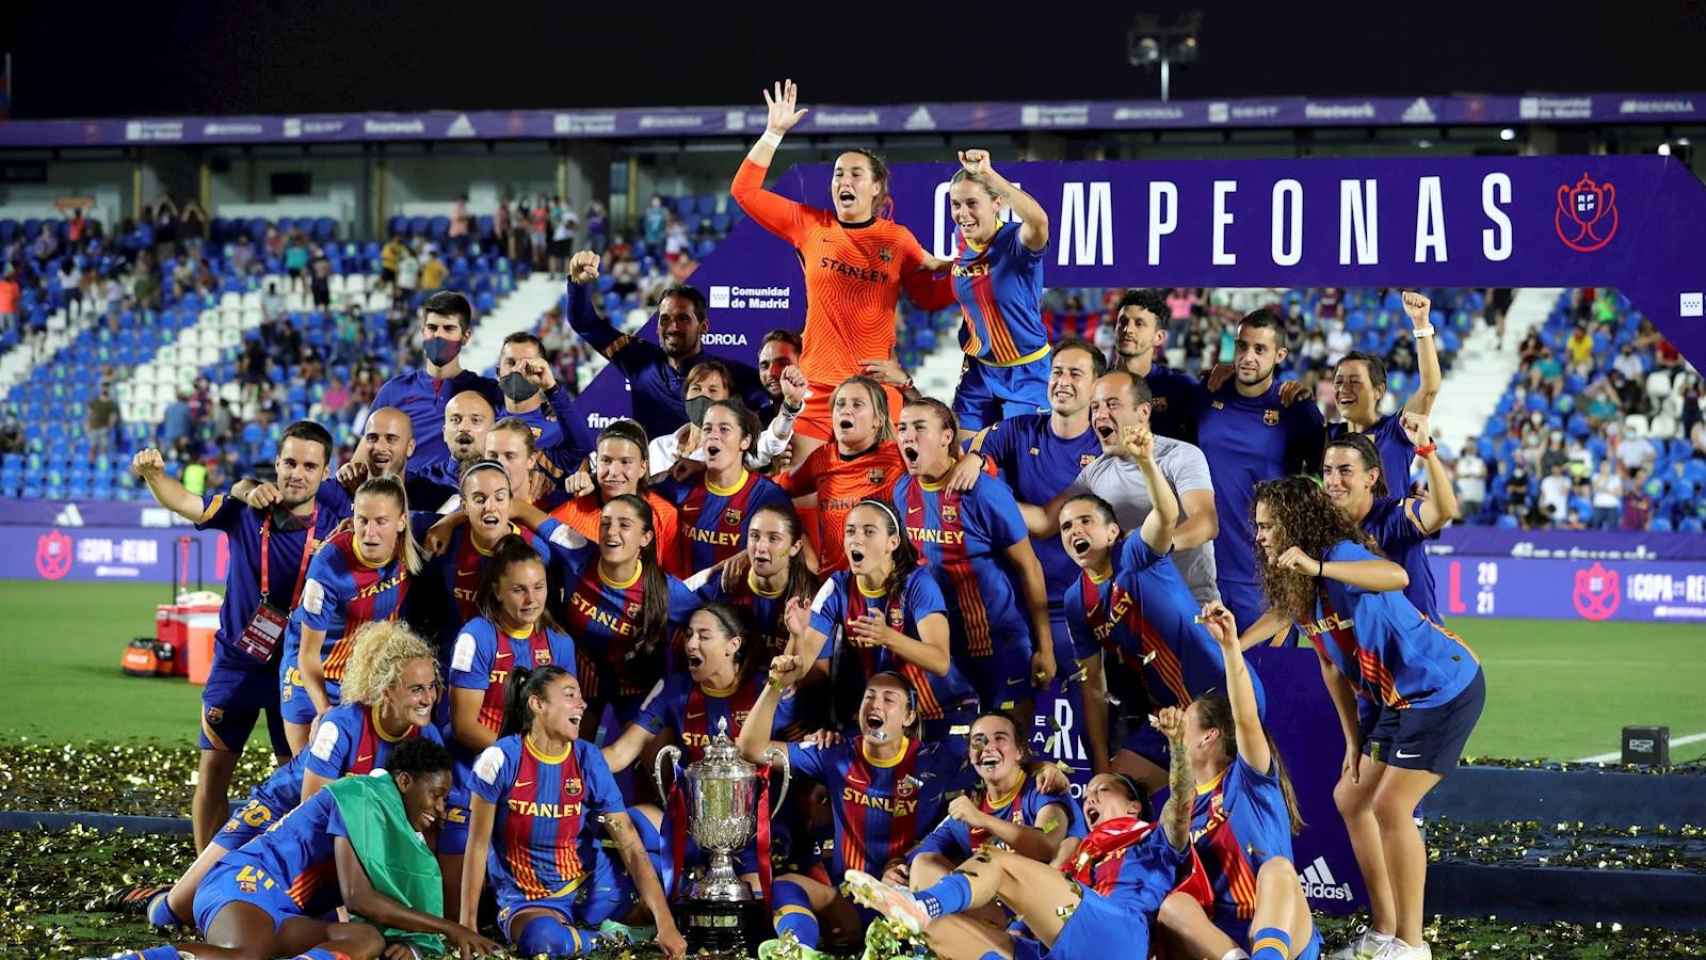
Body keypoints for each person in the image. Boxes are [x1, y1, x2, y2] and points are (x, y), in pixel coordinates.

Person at [1253, 476, 1485, 960]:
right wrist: (1352, 741)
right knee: (1351, 796)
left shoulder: (1339, 555)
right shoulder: (1300, 587)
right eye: (1258, 527)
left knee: (1391, 807)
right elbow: (1331, 667)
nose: (1261, 537)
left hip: (1440, 687)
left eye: (1268, 526)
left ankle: (1412, 946)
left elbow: (1396, 577)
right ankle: (1383, 932)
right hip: (1394, 702)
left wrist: (1321, 565)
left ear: (1295, 524)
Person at [145, 622, 444, 934]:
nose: (428, 699)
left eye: (432, 686)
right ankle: (152, 899)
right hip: (280, 812)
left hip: (338, 836)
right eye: (417, 689)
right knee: (176, 911)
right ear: (387, 690)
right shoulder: (342, 726)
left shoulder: (429, 738)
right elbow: (308, 812)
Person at [130, 422, 342, 853]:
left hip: (298, 670)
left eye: (308, 465)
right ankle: (201, 882)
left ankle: (289, 874)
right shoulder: (244, 510)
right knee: (212, 773)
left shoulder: (340, 521)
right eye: (289, 462)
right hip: (237, 664)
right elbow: (184, 502)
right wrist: (153, 475)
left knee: (300, 778)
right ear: (276, 464)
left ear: (325, 472)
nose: (296, 473)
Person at [842, 713, 1196, 960]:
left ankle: (922, 905)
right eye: (1087, 794)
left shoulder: (1152, 839)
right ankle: (925, 916)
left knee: (995, 863)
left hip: (1119, 937)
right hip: (1058, 943)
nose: (1090, 798)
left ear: (1134, 807)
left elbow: (1181, 802)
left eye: (1103, 790)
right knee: (940, 930)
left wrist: (1178, 747)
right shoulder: (1082, 850)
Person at [730, 79, 952, 462]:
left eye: (854, 175)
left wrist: (963, 270)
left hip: (875, 391)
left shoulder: (897, 240)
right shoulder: (811, 225)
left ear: (876, 187)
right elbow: (744, 192)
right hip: (816, 390)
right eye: (837, 174)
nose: (843, 181)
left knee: (887, 503)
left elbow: (930, 298)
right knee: (801, 498)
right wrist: (773, 132)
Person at [119, 739, 497, 960]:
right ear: (403, 781)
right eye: (436, 796)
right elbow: (359, 897)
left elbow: (387, 901)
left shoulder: (394, 818)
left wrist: (413, 948)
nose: (440, 809)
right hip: (246, 881)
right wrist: (451, 928)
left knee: (366, 941)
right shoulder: (362, 795)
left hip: (284, 907)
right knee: (246, 954)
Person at [1060, 449, 1267, 790]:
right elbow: (1093, 686)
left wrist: (1145, 462)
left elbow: (1167, 513)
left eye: (1086, 521)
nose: (1075, 530)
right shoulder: (1076, 601)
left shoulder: (1136, 553)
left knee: (1211, 809)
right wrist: (1099, 764)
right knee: (1112, 794)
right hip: (1170, 719)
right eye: (1066, 526)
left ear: (1113, 532)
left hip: (1223, 699)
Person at [737, 665, 969, 960]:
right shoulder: (835, 752)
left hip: (904, 905)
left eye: (888, 699)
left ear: (909, 717)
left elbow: (995, 779)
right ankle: (797, 951)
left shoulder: (936, 760)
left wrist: (1040, 768)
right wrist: (773, 686)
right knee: (784, 886)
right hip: (847, 902)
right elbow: (750, 748)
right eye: (869, 697)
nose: (875, 704)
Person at [461, 667, 687, 958]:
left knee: (672, 883)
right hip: (532, 902)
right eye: (570, 696)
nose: (581, 704)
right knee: (543, 943)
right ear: (537, 703)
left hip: (593, 889)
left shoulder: (589, 758)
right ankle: (613, 938)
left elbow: (629, 843)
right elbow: (477, 845)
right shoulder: (499, 760)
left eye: (581, 697)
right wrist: (467, 925)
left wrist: (666, 923)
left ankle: (612, 928)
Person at [1156, 602, 1321, 960]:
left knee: (1278, 870)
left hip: (1282, 931)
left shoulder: (1248, 780)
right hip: (1221, 942)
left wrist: (1231, 648)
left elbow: (1246, 719)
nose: (1177, 727)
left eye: (1186, 721)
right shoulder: (1179, 803)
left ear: (1209, 736)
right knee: (1173, 906)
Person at [893, 397, 1055, 724]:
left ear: (947, 436)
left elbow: (1029, 566)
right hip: (942, 648)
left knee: (1009, 745)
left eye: (919, 427)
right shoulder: (902, 491)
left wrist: (1045, 648)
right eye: (902, 428)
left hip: (1001, 645)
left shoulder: (984, 493)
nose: (908, 436)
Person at [965, 338, 1106, 711]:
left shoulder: (1106, 449)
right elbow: (968, 462)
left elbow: (1047, 523)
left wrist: (990, 498)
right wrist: (974, 461)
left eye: (1076, 374)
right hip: (1015, 605)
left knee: (1082, 715)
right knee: (1012, 719)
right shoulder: (1018, 430)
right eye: (1057, 371)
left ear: (1096, 387)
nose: (1062, 381)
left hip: (1079, 608)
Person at [443, 534, 577, 920]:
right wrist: (524, 758)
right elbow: (465, 725)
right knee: (456, 912)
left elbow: (564, 718)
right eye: (519, 589)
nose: (531, 599)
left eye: (539, 587)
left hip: (533, 774)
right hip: (471, 771)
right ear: (498, 592)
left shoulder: (559, 643)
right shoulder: (476, 636)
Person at [899, 712, 1091, 956]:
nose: (988, 747)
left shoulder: (1044, 788)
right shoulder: (969, 808)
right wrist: (895, 869)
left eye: (999, 738)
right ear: (970, 755)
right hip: (996, 920)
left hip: (1051, 918)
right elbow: (923, 854)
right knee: (924, 865)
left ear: (1019, 751)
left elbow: (1046, 843)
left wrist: (982, 820)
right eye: (978, 741)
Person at [1024, 372, 1220, 606]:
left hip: (1192, 605)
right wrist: (986, 488)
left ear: (1144, 412)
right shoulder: (1094, 473)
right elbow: (1045, 521)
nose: (1100, 415)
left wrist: (1154, 547)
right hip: (1133, 613)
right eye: (1095, 407)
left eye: (1112, 404)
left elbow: (1206, 523)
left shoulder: (1180, 456)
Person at [793, 500, 978, 742]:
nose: (856, 540)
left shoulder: (918, 584)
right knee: (826, 749)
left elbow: (940, 661)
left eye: (869, 531)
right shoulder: (836, 588)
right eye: (850, 531)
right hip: (885, 717)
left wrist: (887, 637)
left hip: (943, 710)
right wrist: (796, 636)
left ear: (893, 542)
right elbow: (799, 668)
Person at [520, 496, 699, 736]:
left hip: (636, 688)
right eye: (605, 523)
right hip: (578, 681)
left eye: (624, 525)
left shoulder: (668, 592)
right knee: (558, 741)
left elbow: (713, 613)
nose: (611, 532)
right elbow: (520, 508)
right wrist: (450, 523)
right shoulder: (578, 552)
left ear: (645, 538)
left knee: (653, 755)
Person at [1197, 309, 1325, 633]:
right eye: (1242, 346)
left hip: (1264, 580)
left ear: (1280, 354)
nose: (1247, 357)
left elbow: (1325, 478)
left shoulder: (1296, 409)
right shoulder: (1210, 390)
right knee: (1201, 681)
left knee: (1267, 681)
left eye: (1260, 349)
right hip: (1202, 571)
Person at [281, 476, 428, 754]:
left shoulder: (413, 538)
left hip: (364, 680)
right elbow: (307, 654)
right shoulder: (328, 566)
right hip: (312, 677)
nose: (370, 532)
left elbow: (464, 513)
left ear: (401, 521)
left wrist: (449, 524)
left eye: (381, 522)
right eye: (362, 520)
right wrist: (325, 711)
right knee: (308, 777)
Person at [564, 250, 764, 444]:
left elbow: (772, 398)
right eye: (665, 319)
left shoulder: (727, 374)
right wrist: (578, 285)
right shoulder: (638, 359)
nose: (673, 327)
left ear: (703, 327)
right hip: (651, 475)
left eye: (683, 318)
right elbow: (586, 324)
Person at [945, 149, 1052, 438]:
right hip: (979, 373)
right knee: (962, 459)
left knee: (1020, 462)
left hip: (1027, 373)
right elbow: (972, 274)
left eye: (971, 203)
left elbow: (1040, 222)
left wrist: (989, 175)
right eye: (956, 204)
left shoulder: (1016, 243)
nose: (962, 214)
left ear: (997, 203)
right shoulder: (961, 239)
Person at [1322, 430, 1458, 627]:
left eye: (1345, 471)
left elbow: (1443, 512)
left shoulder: (1396, 515)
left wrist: (1427, 451)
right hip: (1368, 650)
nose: (1333, 481)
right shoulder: (1323, 528)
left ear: (1371, 477)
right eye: (1327, 471)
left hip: (1420, 648)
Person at [777, 376, 907, 575]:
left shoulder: (898, 456)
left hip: (885, 582)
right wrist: (802, 542)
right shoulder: (822, 458)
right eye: (840, 404)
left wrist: (973, 457)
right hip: (833, 583)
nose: (846, 410)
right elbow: (776, 492)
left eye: (857, 404)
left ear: (878, 420)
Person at [656, 398, 793, 576]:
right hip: (686, 600)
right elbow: (638, 492)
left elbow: (792, 555)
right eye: (707, 429)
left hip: (740, 602)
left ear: (745, 441)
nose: (713, 435)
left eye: (724, 429)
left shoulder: (768, 496)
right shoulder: (679, 485)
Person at [1327, 291, 1443, 498]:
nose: (1344, 389)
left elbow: (1429, 389)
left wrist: (1421, 324)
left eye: (1354, 382)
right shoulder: (1328, 436)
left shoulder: (1396, 430)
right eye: (1338, 382)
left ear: (1378, 391)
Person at [370, 291, 502, 469]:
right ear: (423, 332)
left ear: (466, 336)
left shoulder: (489, 392)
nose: (438, 335)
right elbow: (365, 452)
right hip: (406, 493)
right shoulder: (394, 390)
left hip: (466, 492)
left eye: (448, 328)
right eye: (432, 328)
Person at [687, 502, 823, 670]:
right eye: (754, 536)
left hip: (779, 688)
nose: (760, 547)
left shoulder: (814, 599)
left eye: (774, 538)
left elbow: (817, 675)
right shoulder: (723, 581)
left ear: (794, 548)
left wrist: (798, 640)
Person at [549, 419, 686, 577]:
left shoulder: (665, 515)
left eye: (625, 461)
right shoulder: (568, 514)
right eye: (606, 460)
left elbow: (672, 581)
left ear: (642, 467)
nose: (614, 471)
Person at [1109, 288, 1205, 444]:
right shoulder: (1097, 385)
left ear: (1159, 337)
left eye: (1139, 324)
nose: (1128, 329)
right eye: (1123, 322)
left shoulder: (1179, 386)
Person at [494, 330, 583, 471]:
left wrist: (551, 389)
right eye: (511, 362)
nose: (517, 369)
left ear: (542, 370)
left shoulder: (561, 424)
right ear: (498, 372)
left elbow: (584, 451)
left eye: (527, 364)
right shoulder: (484, 420)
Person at [412, 389, 499, 511]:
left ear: (493, 432)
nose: (463, 428)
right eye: (455, 420)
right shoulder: (418, 484)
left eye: (475, 420)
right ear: (444, 433)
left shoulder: (511, 480)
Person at [755, 328, 804, 420]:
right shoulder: (758, 418)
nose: (771, 373)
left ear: (803, 365)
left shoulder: (819, 415)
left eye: (783, 364)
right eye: (764, 366)